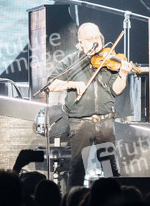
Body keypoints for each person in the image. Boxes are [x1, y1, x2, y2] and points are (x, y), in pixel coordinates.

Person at [47, 22, 132, 187]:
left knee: (110, 169)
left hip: (105, 122)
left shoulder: (108, 60)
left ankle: (113, 200)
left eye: (97, 37)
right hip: (80, 123)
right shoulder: (71, 61)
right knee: (78, 169)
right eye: (90, 38)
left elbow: (116, 90)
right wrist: (72, 84)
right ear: (81, 43)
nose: (96, 41)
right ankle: (75, 199)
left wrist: (123, 75)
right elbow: (51, 85)